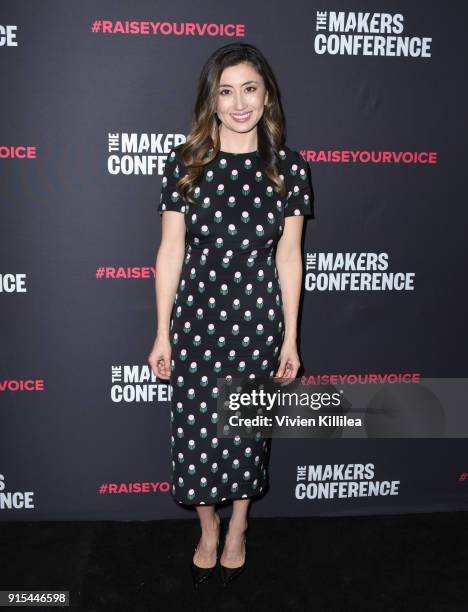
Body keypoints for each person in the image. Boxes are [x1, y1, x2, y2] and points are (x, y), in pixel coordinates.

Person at [148, 42, 314, 586]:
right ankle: (208, 528)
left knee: (246, 431)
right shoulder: (186, 162)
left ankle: (239, 525)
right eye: (226, 91)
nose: (238, 102)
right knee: (194, 431)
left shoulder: (289, 168)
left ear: (267, 98)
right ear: (211, 101)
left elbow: (289, 257)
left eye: (249, 89)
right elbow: (171, 250)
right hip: (196, 320)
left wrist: (290, 338)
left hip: (256, 322)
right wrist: (161, 333)